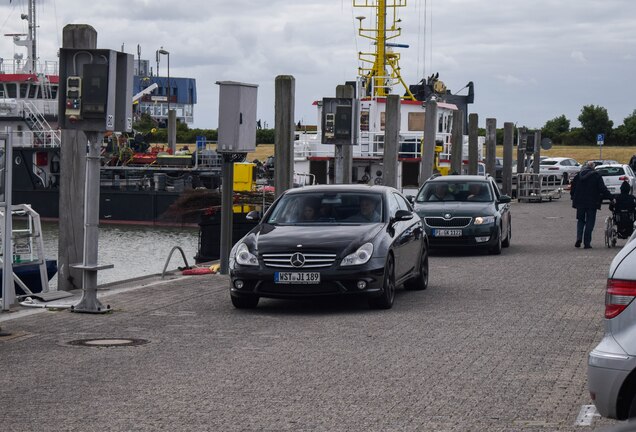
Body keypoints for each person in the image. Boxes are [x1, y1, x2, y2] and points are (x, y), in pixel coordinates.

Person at [570, 161, 614, 249]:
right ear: (593, 167)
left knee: (580, 220)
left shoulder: (578, 176)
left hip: (580, 203)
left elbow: (573, 188)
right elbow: (602, 189)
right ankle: (587, 243)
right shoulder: (596, 176)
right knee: (590, 222)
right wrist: (611, 198)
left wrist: (573, 197)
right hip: (592, 203)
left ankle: (579, 238)